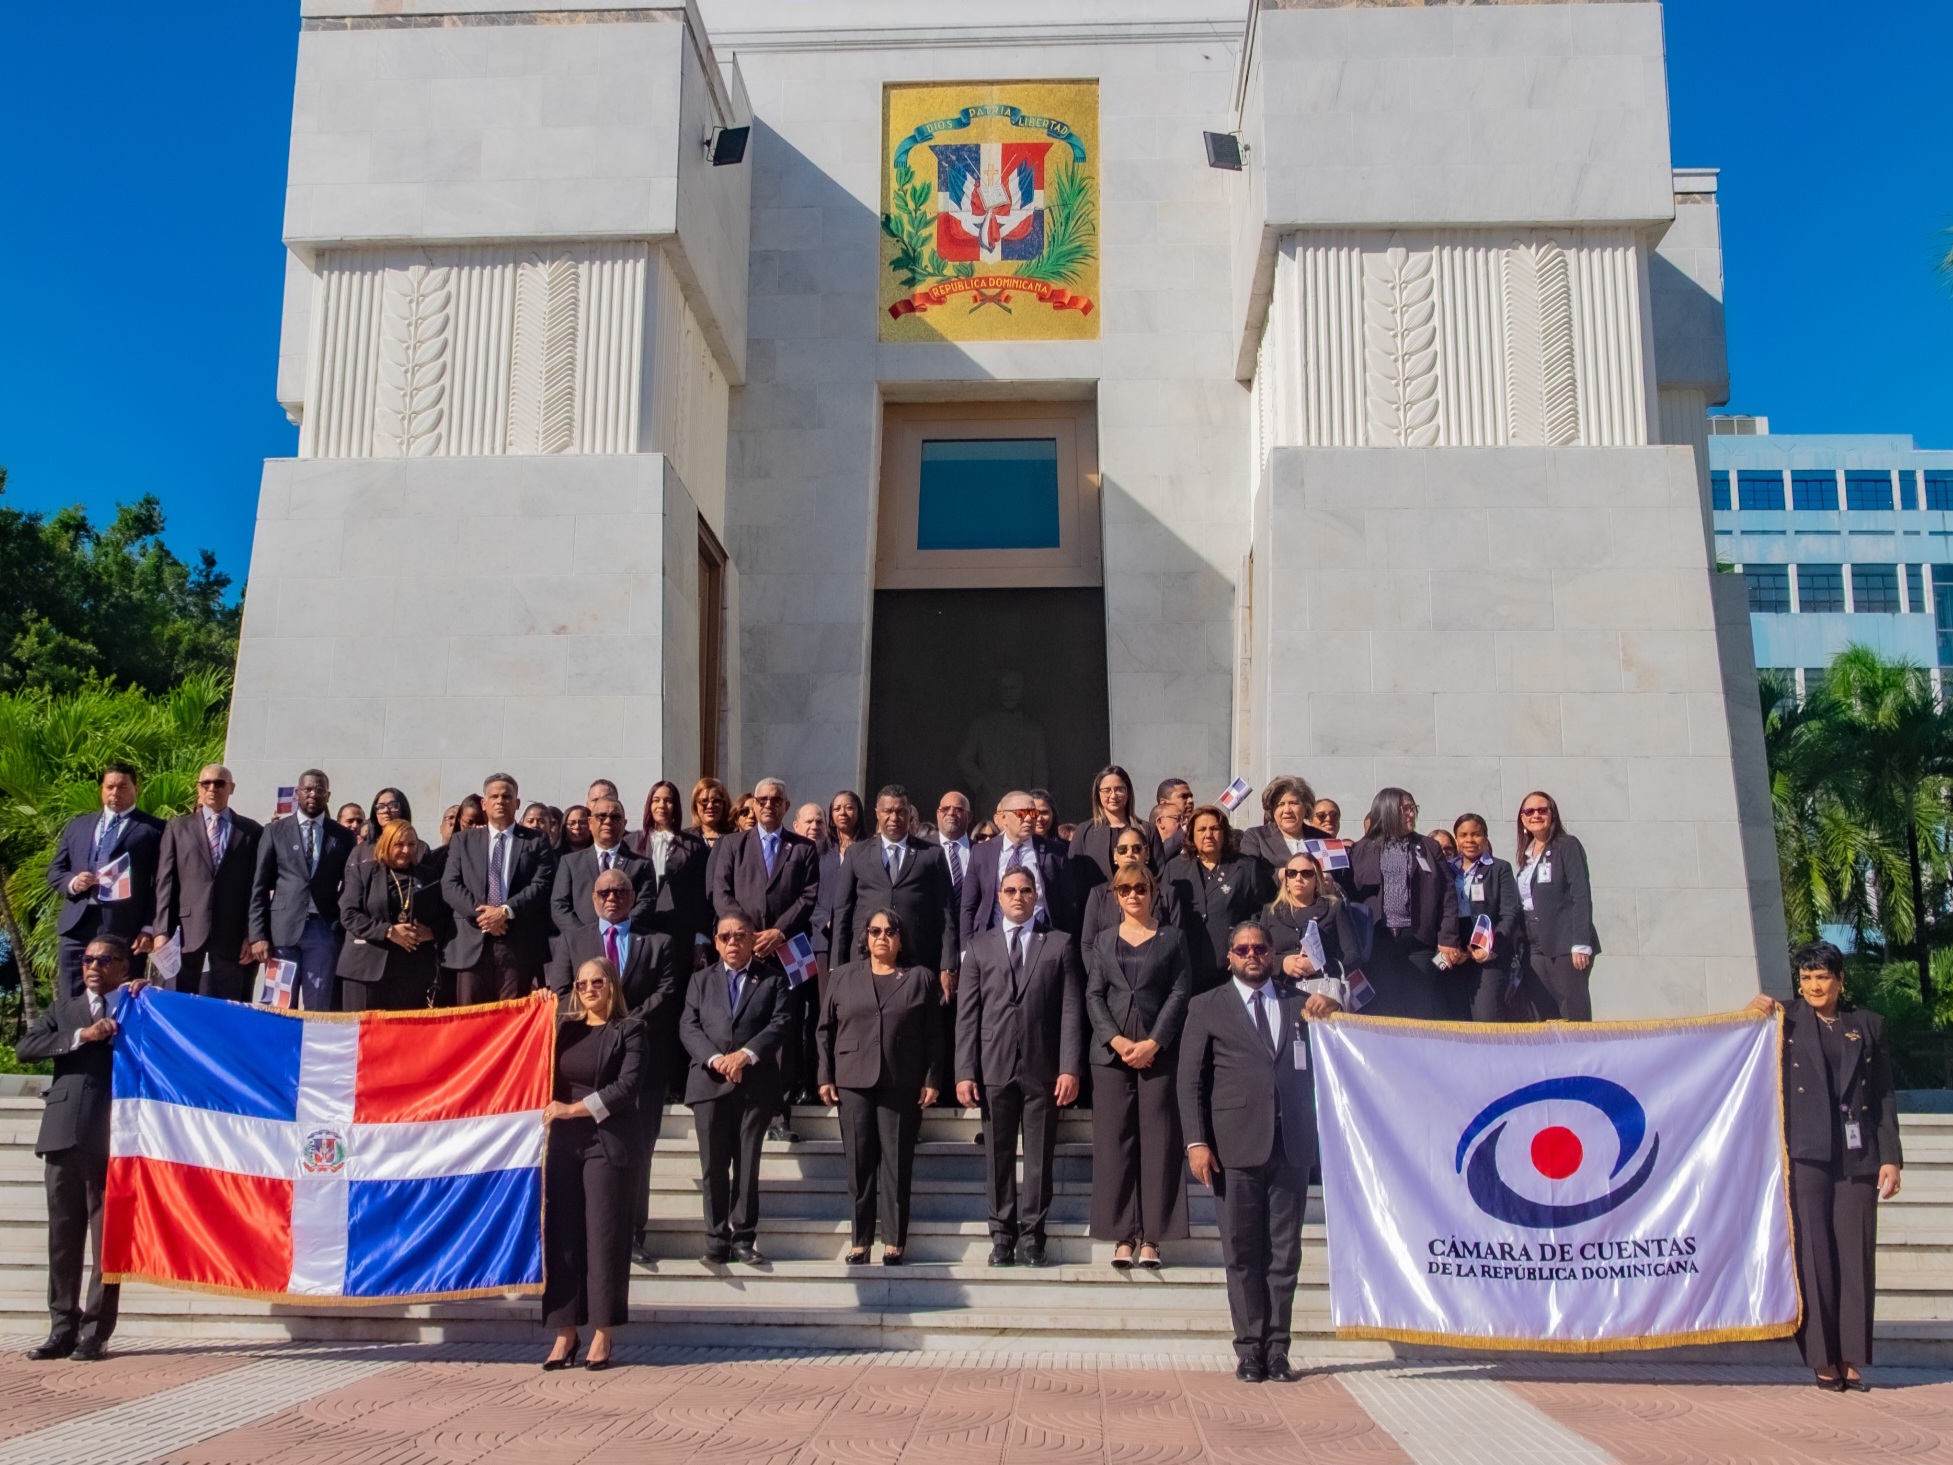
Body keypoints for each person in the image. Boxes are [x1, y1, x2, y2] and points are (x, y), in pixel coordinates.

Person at [1181, 920, 1341, 1383]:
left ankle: (1278, 1349)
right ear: (1230, 956)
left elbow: (1340, 1036)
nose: (1252, 955)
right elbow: (1190, 1080)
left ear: (1272, 954)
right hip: (1233, 1146)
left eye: (1260, 948)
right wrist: (1196, 1141)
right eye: (1243, 949)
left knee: (1284, 1254)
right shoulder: (1206, 1006)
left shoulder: (1299, 1004)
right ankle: (1249, 1348)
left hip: (1289, 1145)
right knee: (1242, 1251)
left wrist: (1334, 1004)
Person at [1749, 942, 1902, 1391]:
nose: (1814, 986)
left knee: (1855, 1253)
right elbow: (1746, 1059)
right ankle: (1822, 1357)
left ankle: (1853, 1356)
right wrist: (1748, 1015)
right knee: (1813, 1254)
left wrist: (1890, 1156)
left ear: (1840, 980)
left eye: (1823, 977)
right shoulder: (1784, 1021)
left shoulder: (1867, 1025)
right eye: (1807, 978)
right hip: (1805, 1152)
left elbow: (1886, 1095)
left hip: (1858, 1155)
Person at [549, 867, 684, 1260]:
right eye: (604, 892)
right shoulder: (572, 941)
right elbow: (561, 993)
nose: (612, 897)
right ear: (593, 899)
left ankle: (633, 1234)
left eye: (620, 891)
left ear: (633, 897)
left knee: (639, 1151)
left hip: (640, 1065)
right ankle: (592, 1232)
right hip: (582, 1066)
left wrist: (625, 1023)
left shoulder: (657, 942)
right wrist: (598, 1027)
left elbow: (667, 991)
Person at [18, 935, 139, 1361]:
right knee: (62, 1240)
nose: (94, 966)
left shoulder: (138, 1005)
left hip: (114, 1140)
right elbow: (27, 1047)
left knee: (107, 1243)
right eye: (89, 958)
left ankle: (95, 1334)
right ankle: (61, 1328)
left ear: (124, 967)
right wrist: (80, 1035)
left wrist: (146, 994)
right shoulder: (63, 1009)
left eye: (105, 960)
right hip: (63, 1135)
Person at [956, 869, 1084, 1266]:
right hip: (994, 1067)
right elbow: (967, 1015)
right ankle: (1001, 1233)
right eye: (1010, 890)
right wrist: (964, 1070)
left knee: (1040, 1156)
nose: (1017, 897)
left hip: (1043, 1067)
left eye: (1025, 890)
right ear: (998, 895)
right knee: (997, 1154)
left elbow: (1070, 1009)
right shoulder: (979, 947)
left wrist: (1069, 1067)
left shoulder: (1059, 943)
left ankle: (1032, 1235)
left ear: (1037, 895)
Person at [818, 908, 945, 1264]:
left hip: (901, 1080)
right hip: (852, 1079)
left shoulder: (920, 978)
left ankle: (893, 1239)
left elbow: (934, 1033)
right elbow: (824, 1030)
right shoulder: (842, 977)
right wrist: (824, 1075)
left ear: (901, 939)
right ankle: (860, 1240)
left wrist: (933, 1078)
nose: (882, 937)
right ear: (865, 937)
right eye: (875, 931)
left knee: (896, 1162)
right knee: (859, 1162)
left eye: (890, 931)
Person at [1084, 864, 1193, 1268]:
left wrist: (1154, 1041)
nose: (1133, 895)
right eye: (1125, 889)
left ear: (1153, 892)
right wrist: (1115, 1039)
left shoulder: (1172, 938)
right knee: (1115, 1144)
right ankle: (1122, 1236)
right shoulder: (1103, 940)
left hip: (1158, 1053)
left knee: (1160, 1143)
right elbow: (1094, 994)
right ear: (1115, 895)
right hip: (1111, 1055)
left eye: (1141, 888)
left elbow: (1181, 992)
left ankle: (1153, 1237)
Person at [541, 957, 647, 1373]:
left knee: (604, 1238)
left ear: (612, 986)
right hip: (564, 1145)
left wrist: (573, 1109)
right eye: (581, 984)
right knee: (562, 1238)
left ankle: (603, 1332)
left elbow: (626, 1087)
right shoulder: (563, 1031)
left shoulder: (631, 1030)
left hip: (608, 1143)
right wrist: (537, 1012)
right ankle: (564, 1332)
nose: (588, 989)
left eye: (597, 982)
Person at [709, 777, 821, 1141]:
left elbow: (808, 897)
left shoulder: (803, 848)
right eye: (762, 800)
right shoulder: (732, 844)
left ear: (786, 806)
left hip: (784, 951)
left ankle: (779, 1112)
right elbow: (721, 892)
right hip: (741, 951)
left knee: (783, 1031)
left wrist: (779, 932)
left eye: (776, 800)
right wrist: (744, 933)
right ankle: (737, 1103)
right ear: (752, 805)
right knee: (740, 1023)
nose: (768, 805)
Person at [681, 909, 792, 1265]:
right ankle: (715, 1238)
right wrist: (716, 1060)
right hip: (709, 1084)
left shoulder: (773, 980)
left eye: (740, 935)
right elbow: (689, 1026)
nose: (733, 942)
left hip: (754, 1086)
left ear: (752, 938)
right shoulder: (700, 981)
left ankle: (743, 1238)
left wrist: (745, 1055)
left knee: (747, 1164)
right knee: (713, 1165)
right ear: (715, 942)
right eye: (725, 936)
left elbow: (781, 1023)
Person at [46, 763, 164, 996]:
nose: (115, 793)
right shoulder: (77, 825)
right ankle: (78, 1034)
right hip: (77, 924)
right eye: (109, 787)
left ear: (135, 788)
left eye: (122, 787)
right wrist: (72, 882)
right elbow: (55, 871)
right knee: (72, 996)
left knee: (121, 996)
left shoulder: (155, 829)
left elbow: (161, 884)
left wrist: (149, 927)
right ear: (102, 789)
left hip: (124, 927)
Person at [441, 772, 557, 1004]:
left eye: (507, 796)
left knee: (510, 1020)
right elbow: (450, 884)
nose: (500, 801)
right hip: (472, 943)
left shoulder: (536, 841)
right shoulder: (463, 841)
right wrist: (484, 915)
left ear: (517, 803)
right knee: (471, 1022)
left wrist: (504, 911)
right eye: (494, 796)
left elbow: (542, 884)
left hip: (516, 945)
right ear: (484, 804)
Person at [833, 786, 959, 996]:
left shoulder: (931, 854)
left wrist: (948, 965)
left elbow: (946, 913)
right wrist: (837, 966)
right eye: (888, 811)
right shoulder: (857, 853)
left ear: (909, 813)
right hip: (865, 958)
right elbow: (842, 913)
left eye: (900, 811)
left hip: (916, 958)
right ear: (877, 813)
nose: (894, 817)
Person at [1347, 788, 1461, 1020]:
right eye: (1405, 809)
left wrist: (1448, 938)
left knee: (1419, 1007)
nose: (1411, 814)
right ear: (1387, 811)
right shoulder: (1361, 849)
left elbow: (1447, 895)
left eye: (1413, 808)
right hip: (1379, 942)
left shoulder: (1429, 847)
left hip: (1420, 943)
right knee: (1382, 1009)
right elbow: (1350, 895)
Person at [153, 764, 263, 1001]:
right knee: (179, 1001)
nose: (212, 788)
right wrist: (161, 931)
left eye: (220, 783)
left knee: (227, 1005)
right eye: (206, 783)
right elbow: (166, 882)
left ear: (231, 788)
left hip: (231, 935)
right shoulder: (177, 828)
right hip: (186, 932)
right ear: (199, 788)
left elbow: (256, 887)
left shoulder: (251, 831)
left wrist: (250, 934)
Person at [249, 769, 356, 1011]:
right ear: (297, 793)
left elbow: (349, 885)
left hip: (323, 932)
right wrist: (258, 934)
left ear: (328, 796)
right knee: (279, 1005)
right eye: (307, 789)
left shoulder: (342, 836)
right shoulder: (275, 831)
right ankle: (279, 1049)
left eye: (320, 790)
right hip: (282, 933)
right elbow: (259, 886)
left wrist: (338, 920)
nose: (313, 794)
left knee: (318, 1006)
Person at [337, 821, 447, 1011]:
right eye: (399, 844)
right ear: (386, 844)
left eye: (412, 845)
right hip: (365, 969)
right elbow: (348, 914)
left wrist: (430, 932)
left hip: (411, 971)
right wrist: (388, 931)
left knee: (403, 1038)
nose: (406, 850)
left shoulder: (429, 876)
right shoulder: (363, 872)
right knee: (365, 1036)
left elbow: (445, 916)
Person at [1514, 791, 1600, 1022]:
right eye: (1529, 811)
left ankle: (1581, 1057)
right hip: (1534, 946)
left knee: (1573, 1011)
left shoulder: (1566, 845)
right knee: (1542, 1014)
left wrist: (1580, 943)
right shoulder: (1528, 854)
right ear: (1522, 819)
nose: (1536, 815)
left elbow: (1580, 894)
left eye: (1543, 810)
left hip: (1564, 943)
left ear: (1553, 814)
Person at [1162, 806, 1265, 993]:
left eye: (1215, 829)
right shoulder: (1174, 868)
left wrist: (1243, 950)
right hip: (1186, 968)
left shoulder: (1245, 867)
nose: (1208, 835)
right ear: (1191, 834)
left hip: (1228, 967)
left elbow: (1257, 914)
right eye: (1201, 829)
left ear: (1225, 833)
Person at [959, 790, 1075, 952]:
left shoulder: (1054, 852)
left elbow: (1068, 903)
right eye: (1021, 813)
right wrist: (966, 950)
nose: (1029, 818)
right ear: (1004, 818)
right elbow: (968, 905)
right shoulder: (982, 852)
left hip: (1041, 940)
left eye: (1033, 812)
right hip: (992, 942)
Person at [1451, 814, 1522, 1022]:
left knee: (1486, 1015)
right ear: (1456, 839)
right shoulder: (1447, 868)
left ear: (1485, 837)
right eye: (1463, 835)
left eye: (1476, 834)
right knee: (1456, 1017)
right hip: (1456, 950)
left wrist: (1492, 946)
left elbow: (1510, 911)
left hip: (1489, 949)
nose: (1469, 840)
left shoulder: (1500, 868)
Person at [551, 796, 654, 937]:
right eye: (601, 816)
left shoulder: (641, 865)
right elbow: (559, 906)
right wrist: (586, 936)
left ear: (624, 823)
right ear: (590, 822)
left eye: (615, 817)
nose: (608, 821)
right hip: (581, 945)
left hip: (625, 941)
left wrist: (617, 931)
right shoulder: (570, 863)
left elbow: (646, 904)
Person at [1261, 852, 1361, 988]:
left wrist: (1321, 965)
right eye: (1292, 873)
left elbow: (1353, 955)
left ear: (1316, 879)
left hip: (1322, 990)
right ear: (1286, 881)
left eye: (1306, 873)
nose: (1298, 878)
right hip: (1279, 989)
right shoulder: (1270, 911)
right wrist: (1281, 963)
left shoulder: (1334, 908)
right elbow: (1258, 952)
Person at [639, 780, 710, 961]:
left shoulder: (693, 845)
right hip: (641, 929)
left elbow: (701, 895)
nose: (661, 805)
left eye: (668, 800)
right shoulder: (633, 842)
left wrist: (700, 938)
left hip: (680, 931)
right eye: (656, 800)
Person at [1068, 764, 1165, 894]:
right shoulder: (1084, 832)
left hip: (1139, 906)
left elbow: (1158, 876)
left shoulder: (1147, 830)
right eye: (1107, 790)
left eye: (1119, 789)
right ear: (1098, 794)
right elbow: (1074, 878)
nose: (1113, 796)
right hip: (1096, 909)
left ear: (1128, 792)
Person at [1080, 828, 1182, 944]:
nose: (1129, 854)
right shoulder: (1098, 895)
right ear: (1115, 855)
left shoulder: (1167, 893)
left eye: (1137, 849)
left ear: (1147, 854)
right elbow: (1088, 943)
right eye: (1122, 849)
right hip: (1108, 961)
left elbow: (1176, 939)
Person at [808, 790, 864, 991]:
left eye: (849, 807)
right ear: (831, 814)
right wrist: (826, 919)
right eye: (837, 808)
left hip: (860, 936)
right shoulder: (816, 850)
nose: (843, 812)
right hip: (824, 939)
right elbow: (806, 892)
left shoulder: (870, 848)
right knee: (827, 1000)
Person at [1236, 776, 1329, 878]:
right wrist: (1282, 874)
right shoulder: (1256, 837)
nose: (1287, 810)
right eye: (1280, 804)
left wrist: (1331, 882)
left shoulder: (1323, 838)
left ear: (1306, 807)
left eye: (1293, 803)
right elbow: (1246, 874)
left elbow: (1342, 878)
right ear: (1272, 810)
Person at [1156, 778, 1193, 860]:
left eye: (1191, 796)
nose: (1190, 800)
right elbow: (1159, 856)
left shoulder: (1195, 832)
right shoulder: (1149, 833)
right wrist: (1185, 829)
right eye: (1183, 796)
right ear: (1164, 803)